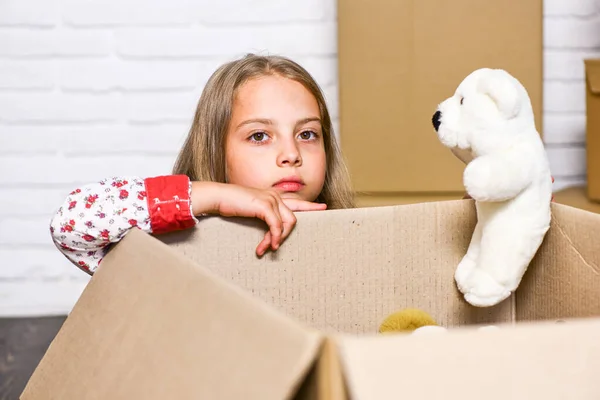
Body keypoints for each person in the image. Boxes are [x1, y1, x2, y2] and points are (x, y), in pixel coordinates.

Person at [49, 53, 356, 276]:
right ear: (215, 149)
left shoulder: (354, 241)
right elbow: (71, 224)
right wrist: (216, 196)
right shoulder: (171, 251)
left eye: (307, 134)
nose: (291, 154)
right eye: (260, 135)